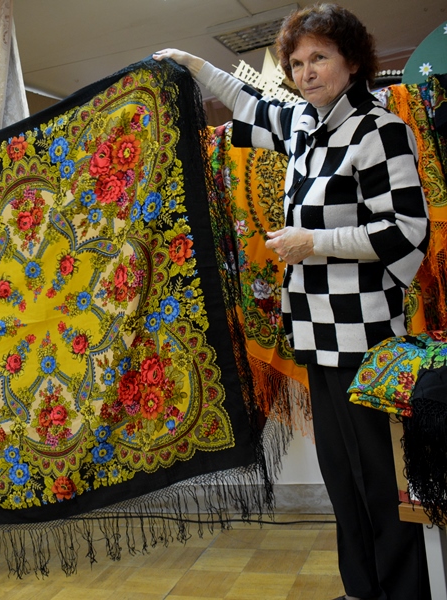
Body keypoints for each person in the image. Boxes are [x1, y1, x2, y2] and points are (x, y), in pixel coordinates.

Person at [155, 4, 430, 599]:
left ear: (352, 62)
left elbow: (406, 231)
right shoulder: (306, 123)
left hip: (364, 335)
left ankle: (400, 593)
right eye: (297, 63)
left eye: (319, 58)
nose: (306, 73)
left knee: (379, 477)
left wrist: (314, 242)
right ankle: (361, 589)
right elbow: (248, 102)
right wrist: (194, 64)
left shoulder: (380, 130)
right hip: (314, 331)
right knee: (342, 476)